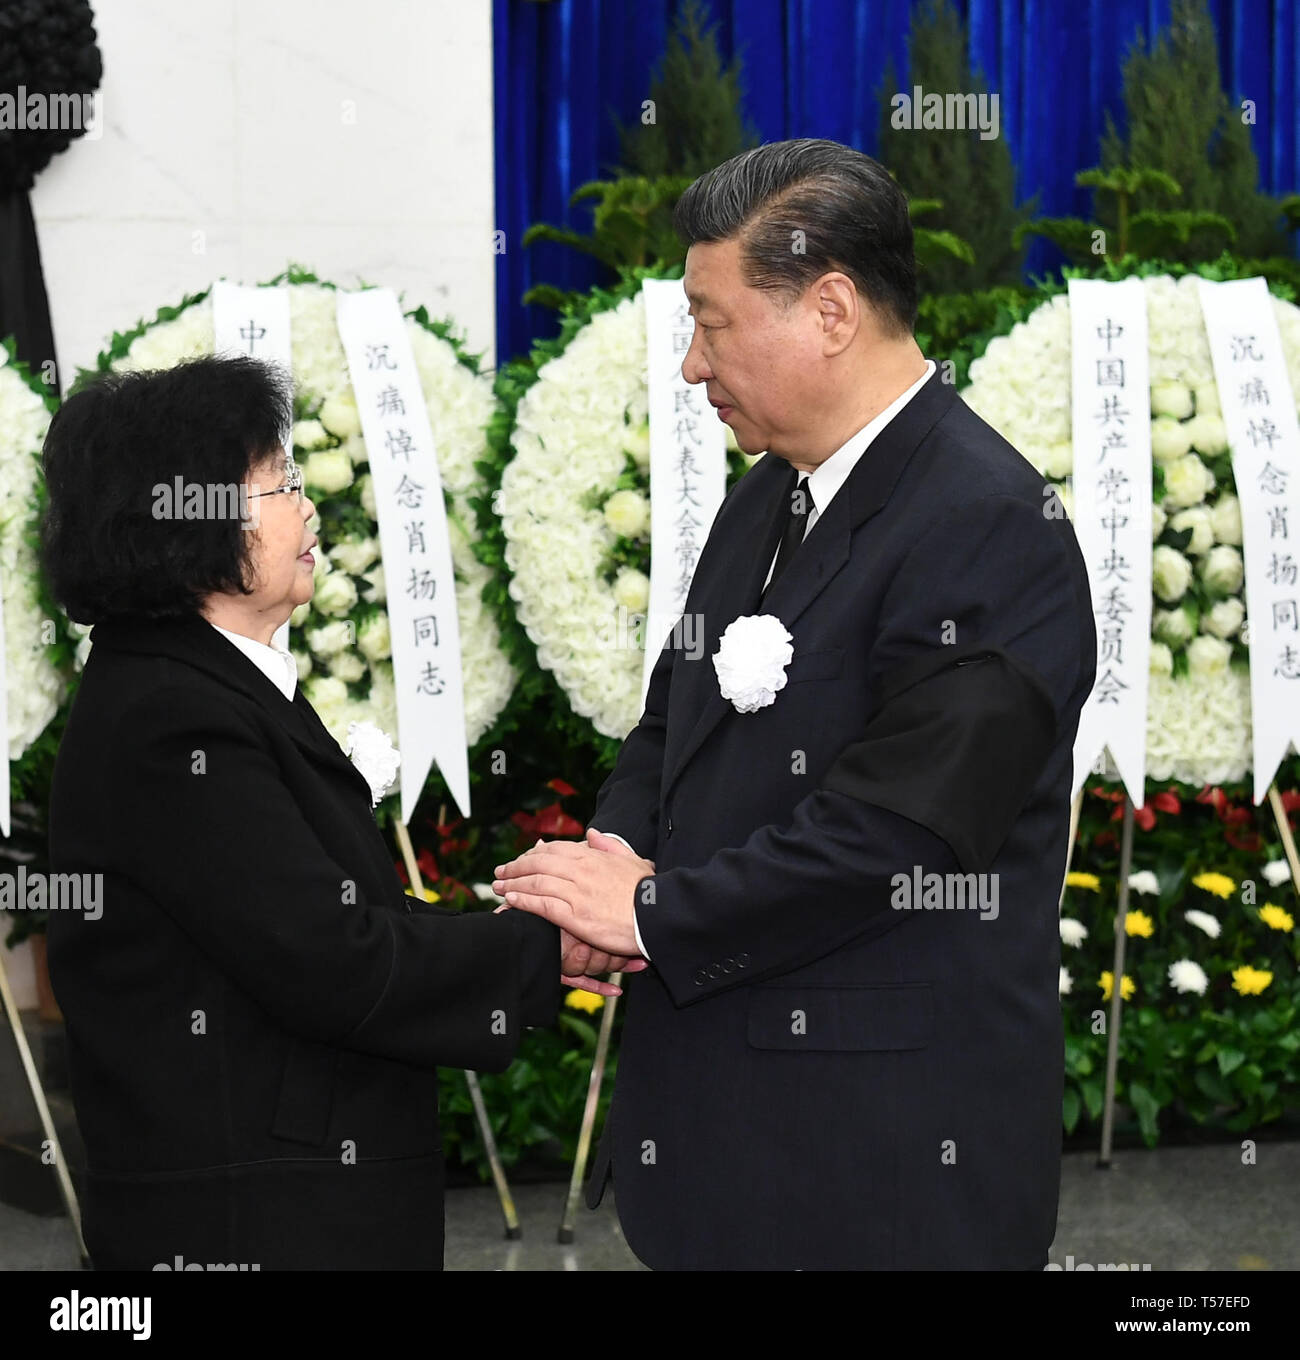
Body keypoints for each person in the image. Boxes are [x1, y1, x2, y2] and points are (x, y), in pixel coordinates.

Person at [493, 138, 1097, 1269]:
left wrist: (653, 912)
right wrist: (610, 859)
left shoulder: (988, 523)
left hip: (881, 1164)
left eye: (710, 323)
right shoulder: (767, 496)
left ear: (829, 308)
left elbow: (896, 829)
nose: (688, 364)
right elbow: (674, 719)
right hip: (731, 1140)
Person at [40, 354, 637, 1271]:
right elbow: (328, 956)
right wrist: (550, 941)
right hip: (251, 1216)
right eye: (279, 487)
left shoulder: (201, 684)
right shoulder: (172, 716)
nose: (309, 512)